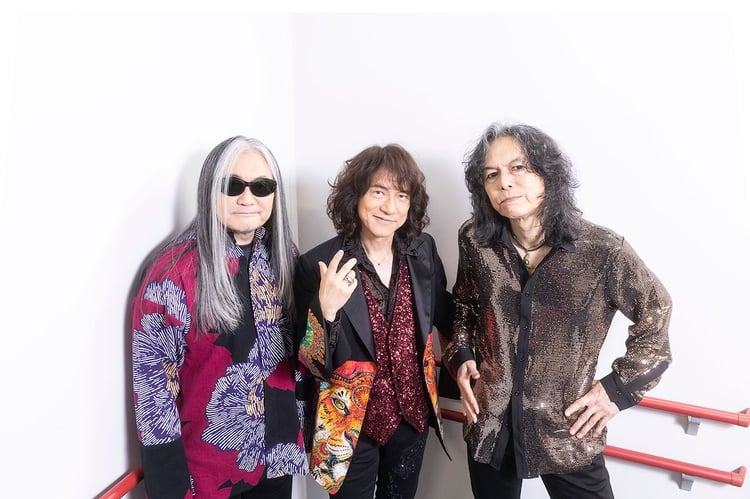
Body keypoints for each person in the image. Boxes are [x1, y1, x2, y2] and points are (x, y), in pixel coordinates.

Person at [443, 123, 672, 499]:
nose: (505, 182)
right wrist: (462, 354)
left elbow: (656, 310)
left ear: (548, 174)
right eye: (491, 174)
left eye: (518, 168)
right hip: (490, 421)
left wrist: (616, 390)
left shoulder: (602, 250)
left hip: (566, 428)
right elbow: (465, 304)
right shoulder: (475, 240)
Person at [131, 136, 308, 499]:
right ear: (210, 190)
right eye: (233, 185)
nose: (248, 198)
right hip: (208, 477)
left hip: (277, 460)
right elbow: (154, 396)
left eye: (261, 186)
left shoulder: (285, 256)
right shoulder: (173, 274)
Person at [295, 144, 453, 498]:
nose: (389, 207)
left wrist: (468, 358)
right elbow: (309, 366)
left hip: (412, 417)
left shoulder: (423, 250)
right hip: (348, 427)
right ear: (356, 196)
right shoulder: (318, 264)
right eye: (378, 192)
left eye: (401, 195)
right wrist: (326, 312)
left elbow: (444, 314)